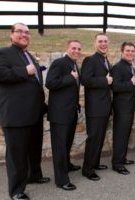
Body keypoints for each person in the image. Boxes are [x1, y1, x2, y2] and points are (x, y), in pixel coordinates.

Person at [0, 23, 49, 200]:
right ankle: (16, 190)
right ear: (11, 35)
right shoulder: (3, 53)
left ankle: (34, 176)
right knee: (17, 154)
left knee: (34, 148)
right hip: (16, 115)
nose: (24, 35)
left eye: (27, 32)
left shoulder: (28, 55)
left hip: (34, 113)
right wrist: (24, 70)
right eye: (20, 31)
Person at [45, 40, 82, 191]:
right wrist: (70, 78)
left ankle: (67, 165)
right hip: (59, 114)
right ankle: (61, 180)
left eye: (79, 49)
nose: (76, 51)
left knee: (67, 143)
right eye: (73, 48)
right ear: (67, 48)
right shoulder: (59, 63)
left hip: (71, 111)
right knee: (60, 147)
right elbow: (50, 83)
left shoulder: (74, 65)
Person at [80, 33, 112, 181]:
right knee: (93, 138)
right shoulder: (90, 60)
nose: (103, 44)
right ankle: (87, 169)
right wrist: (104, 81)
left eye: (105, 41)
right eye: (100, 41)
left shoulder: (106, 60)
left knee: (100, 138)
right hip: (95, 107)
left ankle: (96, 163)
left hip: (105, 106)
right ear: (95, 43)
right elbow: (85, 80)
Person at [110, 42, 135, 175]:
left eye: (132, 51)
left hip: (129, 106)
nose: (130, 53)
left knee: (125, 134)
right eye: (127, 50)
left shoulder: (129, 66)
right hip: (122, 107)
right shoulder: (118, 67)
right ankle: (117, 164)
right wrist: (131, 83)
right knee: (120, 135)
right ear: (122, 51)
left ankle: (122, 158)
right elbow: (115, 87)